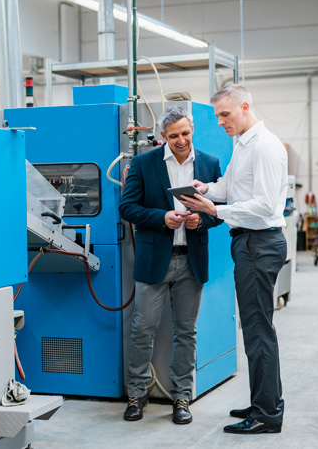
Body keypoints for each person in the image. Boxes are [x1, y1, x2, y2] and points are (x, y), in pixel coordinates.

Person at [179, 84, 288, 434]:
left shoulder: (266, 147)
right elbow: (229, 185)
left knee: (258, 333)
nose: (221, 122)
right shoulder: (242, 144)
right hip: (247, 244)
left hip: (260, 244)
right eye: (217, 116)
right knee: (255, 330)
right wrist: (208, 189)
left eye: (226, 114)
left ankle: (267, 414)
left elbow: (266, 204)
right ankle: (262, 402)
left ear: (245, 106)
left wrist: (216, 209)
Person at [119, 105, 223, 424]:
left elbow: (221, 208)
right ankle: (137, 393)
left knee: (186, 332)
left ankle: (181, 397)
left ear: (193, 130)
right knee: (142, 329)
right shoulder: (143, 163)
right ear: (163, 136)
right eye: (174, 135)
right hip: (154, 261)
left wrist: (200, 221)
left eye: (186, 133)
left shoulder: (209, 164)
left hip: (191, 261)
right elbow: (127, 207)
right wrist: (162, 217)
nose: (181, 141)